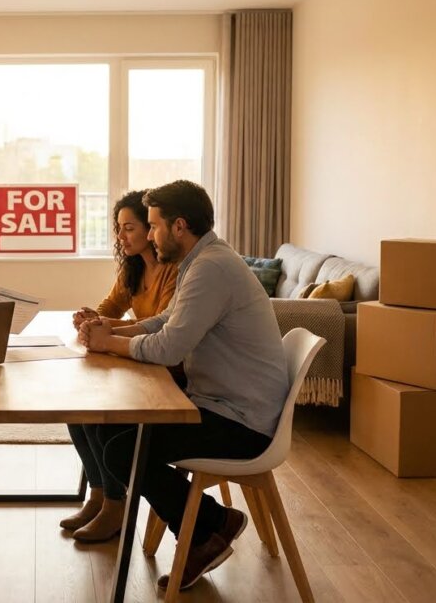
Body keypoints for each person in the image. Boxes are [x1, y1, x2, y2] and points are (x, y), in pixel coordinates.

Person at [78, 180, 287, 591]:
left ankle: (210, 526)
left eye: (152, 226)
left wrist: (112, 343)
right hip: (219, 404)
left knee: (124, 450)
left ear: (178, 226)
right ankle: (202, 528)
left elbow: (170, 347)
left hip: (242, 423)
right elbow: (163, 322)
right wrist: (116, 329)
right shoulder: (203, 259)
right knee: (110, 428)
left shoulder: (210, 267)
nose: (149, 235)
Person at [61, 190, 178, 542]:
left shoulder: (173, 271)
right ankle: (98, 495)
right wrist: (91, 317)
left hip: (166, 370)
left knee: (102, 419)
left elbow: (164, 324)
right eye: (118, 228)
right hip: (142, 360)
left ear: (151, 229)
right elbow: (110, 306)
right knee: (77, 412)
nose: (121, 236)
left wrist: (107, 331)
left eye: (129, 228)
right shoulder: (133, 268)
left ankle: (116, 505)